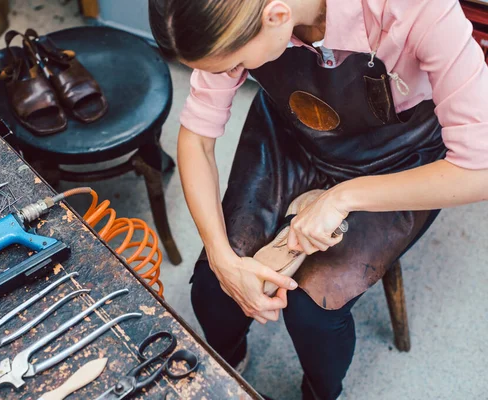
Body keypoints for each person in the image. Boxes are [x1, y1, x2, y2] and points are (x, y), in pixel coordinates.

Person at [148, 0, 488, 399]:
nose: (226, 74)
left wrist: (342, 198)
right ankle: (228, 369)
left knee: (313, 310)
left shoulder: (415, 7)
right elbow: (198, 139)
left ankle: (319, 393)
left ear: (276, 17)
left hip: (397, 154)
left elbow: (479, 168)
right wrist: (222, 258)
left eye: (231, 64)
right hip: (294, 127)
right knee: (212, 285)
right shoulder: (237, 14)